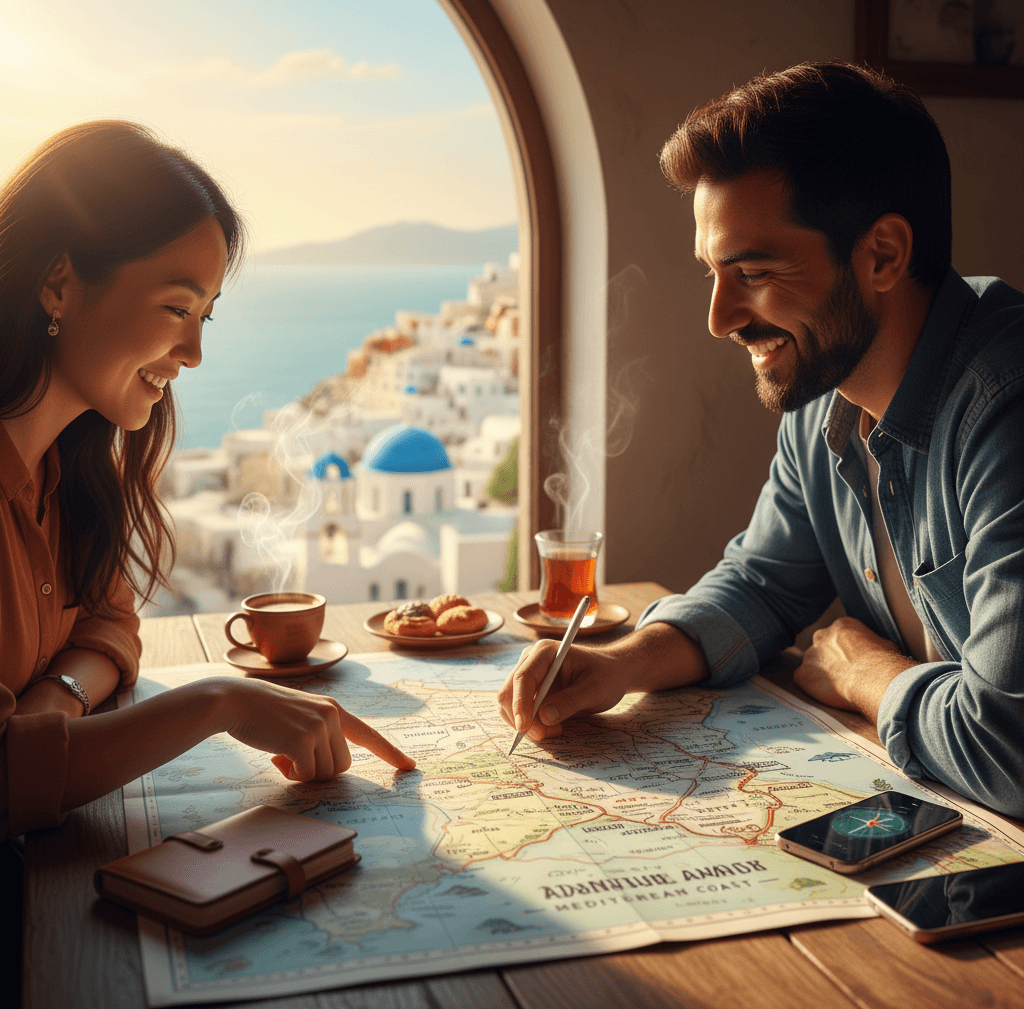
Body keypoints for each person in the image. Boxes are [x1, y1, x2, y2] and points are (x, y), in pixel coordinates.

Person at [498, 62, 1024, 819]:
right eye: (713, 272)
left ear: (882, 255)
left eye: (752, 270)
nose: (718, 317)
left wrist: (864, 674)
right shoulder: (824, 393)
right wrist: (618, 664)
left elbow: (1008, 746)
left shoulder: (1007, 408)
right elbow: (765, 583)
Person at [0, 121, 416, 844]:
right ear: (59, 284)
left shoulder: (68, 473)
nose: (193, 352)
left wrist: (52, 703)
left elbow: (110, 621)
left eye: (206, 316)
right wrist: (217, 704)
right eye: (177, 308)